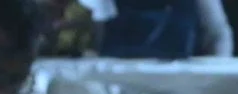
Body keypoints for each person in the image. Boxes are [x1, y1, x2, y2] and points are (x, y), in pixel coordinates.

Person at [97, 0, 226, 59]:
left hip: (182, 88)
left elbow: (217, 34)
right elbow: (94, 37)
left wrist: (216, 81)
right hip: (120, 86)